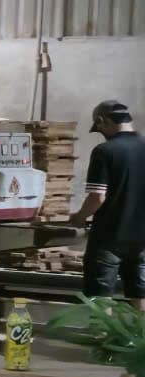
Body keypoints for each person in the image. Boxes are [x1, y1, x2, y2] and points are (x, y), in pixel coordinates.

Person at [72, 99, 145, 307]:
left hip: (109, 237)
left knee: (100, 295)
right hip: (142, 238)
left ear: (101, 121)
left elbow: (97, 197)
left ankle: (103, 329)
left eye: (100, 129)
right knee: (140, 292)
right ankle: (140, 328)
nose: (102, 134)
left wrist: (79, 217)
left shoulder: (104, 151)